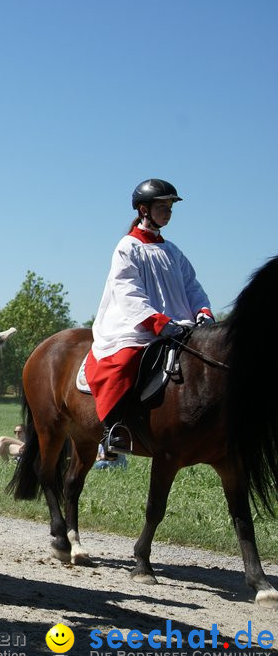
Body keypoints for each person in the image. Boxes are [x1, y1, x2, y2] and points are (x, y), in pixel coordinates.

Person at [84, 179, 213, 459]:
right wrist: (157, 322)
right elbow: (128, 291)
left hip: (178, 324)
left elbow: (192, 286)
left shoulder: (173, 251)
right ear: (144, 210)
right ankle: (114, 426)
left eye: (170, 207)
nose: (167, 212)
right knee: (124, 361)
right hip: (136, 324)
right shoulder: (127, 247)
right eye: (162, 207)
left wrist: (202, 311)